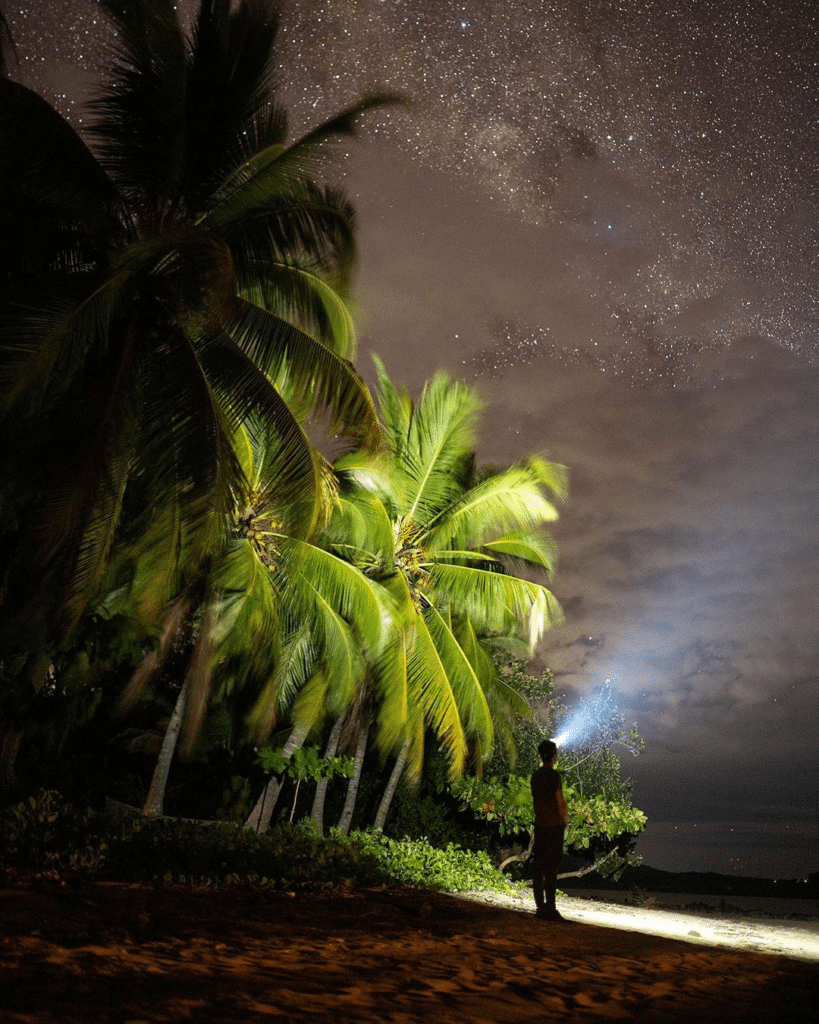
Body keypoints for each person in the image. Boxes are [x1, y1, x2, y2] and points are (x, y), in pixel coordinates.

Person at [530, 738, 568, 921]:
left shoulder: (535, 776)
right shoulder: (554, 776)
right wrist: (565, 819)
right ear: (553, 757)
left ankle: (540, 907)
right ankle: (550, 908)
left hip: (540, 825)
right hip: (553, 826)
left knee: (539, 867)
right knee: (552, 868)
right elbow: (560, 802)